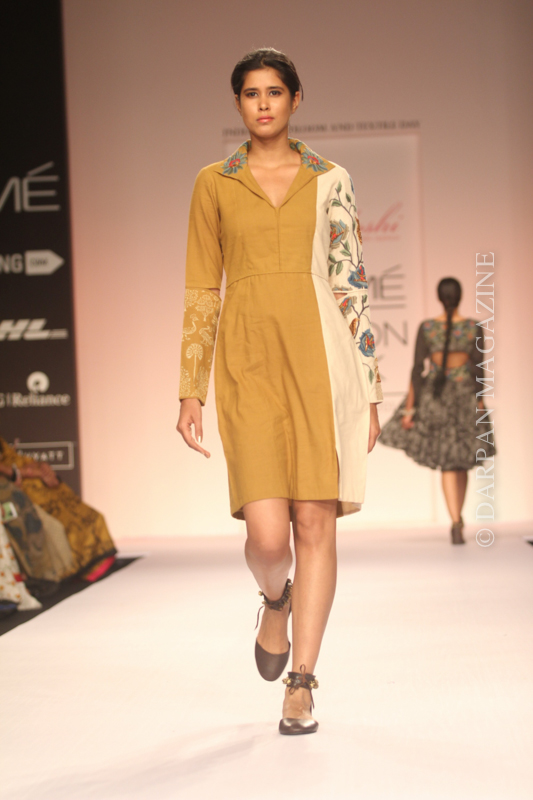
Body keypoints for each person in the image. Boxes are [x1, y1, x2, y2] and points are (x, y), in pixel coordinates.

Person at [176, 48, 382, 735]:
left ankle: (301, 682)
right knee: (267, 538)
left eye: (274, 92)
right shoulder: (214, 182)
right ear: (238, 103)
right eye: (250, 93)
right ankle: (275, 599)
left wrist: (370, 390)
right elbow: (202, 289)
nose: (262, 104)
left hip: (322, 362)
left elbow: (352, 284)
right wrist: (190, 388)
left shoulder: (330, 179)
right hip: (247, 363)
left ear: (296, 99)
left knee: (315, 523)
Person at [379, 278, 496, 544]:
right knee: (460, 461)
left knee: (448, 461)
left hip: (437, 397)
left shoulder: (428, 328)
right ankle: (457, 518)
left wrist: (409, 410)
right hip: (464, 396)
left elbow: (417, 370)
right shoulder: (473, 327)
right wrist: (479, 403)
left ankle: (455, 519)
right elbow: (478, 370)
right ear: (460, 296)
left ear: (439, 297)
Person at [0, 436, 116, 579]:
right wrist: (24, 472)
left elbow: (13, 458)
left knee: (89, 516)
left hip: (26, 480)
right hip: (13, 489)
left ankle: (84, 568)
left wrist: (40, 466)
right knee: (56, 527)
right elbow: (10, 471)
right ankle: (65, 572)